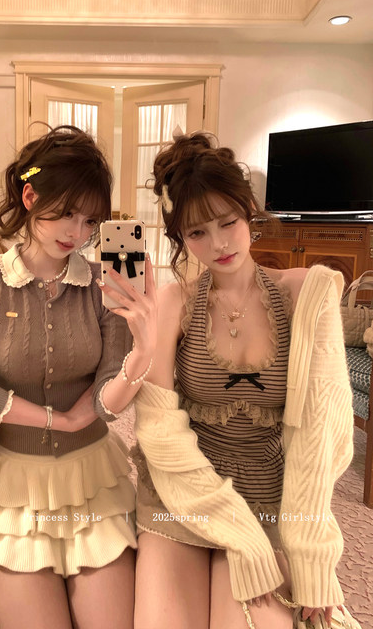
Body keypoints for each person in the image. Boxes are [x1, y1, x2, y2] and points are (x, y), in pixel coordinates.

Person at [132, 131, 354, 628]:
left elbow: (321, 432)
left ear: (249, 210)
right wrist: (233, 527)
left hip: (270, 495)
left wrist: (311, 554)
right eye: (197, 233)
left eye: (228, 222)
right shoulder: (174, 301)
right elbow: (158, 429)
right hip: (185, 492)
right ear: (180, 238)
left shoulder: (306, 292)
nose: (218, 243)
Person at [0, 125, 156, 629]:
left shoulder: (102, 283)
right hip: (15, 487)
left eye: (90, 220)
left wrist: (144, 347)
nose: (77, 232)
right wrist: (57, 420)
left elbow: (110, 388)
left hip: (93, 480)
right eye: (65, 213)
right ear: (29, 196)